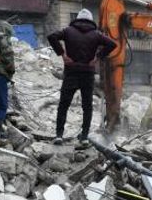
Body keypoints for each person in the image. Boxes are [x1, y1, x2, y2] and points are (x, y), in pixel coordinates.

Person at [47, 8, 116, 145]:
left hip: (71, 72)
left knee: (64, 105)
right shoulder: (96, 34)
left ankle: (59, 135)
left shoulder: (68, 31)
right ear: (90, 20)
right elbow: (112, 44)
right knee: (87, 106)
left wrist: (63, 55)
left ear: (77, 18)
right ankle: (84, 137)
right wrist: (97, 58)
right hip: (87, 74)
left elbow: (51, 36)